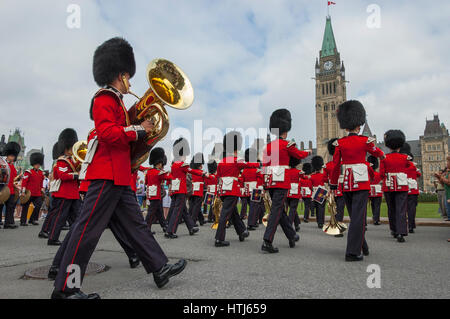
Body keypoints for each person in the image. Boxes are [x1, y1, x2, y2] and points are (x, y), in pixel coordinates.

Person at [51, 37, 186, 299]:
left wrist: (142, 117)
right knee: (87, 232)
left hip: (119, 175)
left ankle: (159, 268)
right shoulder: (104, 98)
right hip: (105, 175)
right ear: (120, 75)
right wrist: (139, 129)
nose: (131, 82)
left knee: (136, 225)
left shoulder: (118, 103)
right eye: (128, 76)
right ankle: (66, 289)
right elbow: (106, 133)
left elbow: (122, 126)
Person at [330, 100, 385, 261]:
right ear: (359, 125)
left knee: (355, 216)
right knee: (358, 217)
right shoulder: (365, 141)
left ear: (345, 126)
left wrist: (333, 184)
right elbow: (378, 153)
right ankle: (352, 252)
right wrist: (382, 156)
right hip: (360, 183)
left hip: (346, 183)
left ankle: (363, 246)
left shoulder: (339, 143)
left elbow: (335, 166)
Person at [261, 109, 310, 253]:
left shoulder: (268, 147)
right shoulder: (287, 145)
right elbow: (299, 154)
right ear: (286, 130)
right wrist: (309, 152)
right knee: (276, 210)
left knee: (280, 210)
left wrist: (264, 184)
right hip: (281, 180)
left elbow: (264, 166)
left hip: (270, 180)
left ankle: (292, 234)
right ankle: (267, 240)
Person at [214, 131, 258, 247]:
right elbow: (250, 165)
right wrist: (261, 164)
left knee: (233, 212)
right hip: (232, 190)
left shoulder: (221, 162)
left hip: (223, 190)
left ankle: (242, 231)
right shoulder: (236, 161)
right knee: (225, 214)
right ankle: (219, 238)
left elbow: (217, 176)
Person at [43, 129, 81, 246]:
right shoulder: (61, 161)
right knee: (60, 218)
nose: (72, 151)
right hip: (63, 194)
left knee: (77, 218)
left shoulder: (72, 161)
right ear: (66, 148)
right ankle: (52, 238)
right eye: (70, 148)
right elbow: (63, 176)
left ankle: (76, 238)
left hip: (73, 194)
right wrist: (76, 175)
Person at [166, 138, 205, 238]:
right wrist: (204, 173)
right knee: (178, 211)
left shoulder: (174, 164)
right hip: (181, 190)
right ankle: (170, 231)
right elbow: (192, 171)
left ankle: (191, 227)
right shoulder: (182, 165)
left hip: (175, 190)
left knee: (183, 210)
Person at [380, 130, 411, 243]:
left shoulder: (384, 158)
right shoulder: (405, 158)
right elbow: (408, 168)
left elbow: (382, 174)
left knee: (391, 209)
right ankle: (401, 232)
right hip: (401, 186)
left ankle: (393, 229)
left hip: (388, 186)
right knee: (401, 209)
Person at [145, 148, 171, 233]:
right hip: (157, 194)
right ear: (159, 164)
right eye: (161, 164)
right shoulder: (159, 173)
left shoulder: (149, 172)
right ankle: (146, 228)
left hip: (151, 194)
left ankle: (164, 226)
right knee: (151, 212)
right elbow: (169, 178)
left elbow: (146, 182)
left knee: (159, 211)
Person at [401, 142, 421, 233]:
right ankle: (411, 226)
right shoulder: (413, 165)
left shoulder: (401, 164)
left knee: (402, 208)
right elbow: (418, 175)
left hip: (403, 188)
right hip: (413, 189)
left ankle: (402, 225)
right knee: (412, 208)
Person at [0, 142, 21, 229]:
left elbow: (12, 179)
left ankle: (9, 222)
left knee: (10, 206)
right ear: (7, 155)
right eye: (11, 156)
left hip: (11, 189)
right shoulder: (3, 165)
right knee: (0, 205)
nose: (13, 158)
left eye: (13, 156)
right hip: (3, 188)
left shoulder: (12, 166)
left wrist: (16, 186)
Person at [242, 148, 264, 231]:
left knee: (252, 206)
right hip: (255, 189)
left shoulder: (244, 169)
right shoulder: (257, 168)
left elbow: (242, 179)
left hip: (247, 189)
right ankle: (251, 224)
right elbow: (260, 179)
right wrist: (260, 189)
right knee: (254, 207)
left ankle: (254, 222)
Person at [20, 152, 45, 226]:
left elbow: (41, 183)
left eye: (39, 164)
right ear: (33, 164)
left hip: (37, 193)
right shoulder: (28, 172)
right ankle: (23, 221)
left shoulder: (41, 173)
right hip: (29, 193)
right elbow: (24, 182)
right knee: (26, 207)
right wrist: (23, 192)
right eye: (36, 164)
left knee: (38, 205)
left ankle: (32, 219)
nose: (38, 165)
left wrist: (42, 189)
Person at [188, 153, 207, 225]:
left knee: (193, 205)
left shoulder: (191, 172)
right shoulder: (201, 172)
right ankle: (192, 221)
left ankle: (201, 220)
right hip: (198, 191)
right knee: (196, 206)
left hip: (192, 190)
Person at [310, 156, 327, 229]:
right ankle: (321, 222)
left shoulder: (312, 176)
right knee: (321, 208)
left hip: (314, 191)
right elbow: (326, 181)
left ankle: (318, 221)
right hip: (321, 191)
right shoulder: (323, 175)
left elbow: (310, 186)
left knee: (317, 208)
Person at [286, 156, 302, 232]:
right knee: (293, 209)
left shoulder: (286, 171)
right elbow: (305, 178)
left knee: (292, 209)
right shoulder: (299, 172)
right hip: (295, 192)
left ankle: (297, 224)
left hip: (287, 192)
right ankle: (289, 225)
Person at [367, 155, 383, 225]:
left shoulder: (367, 174)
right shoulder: (378, 174)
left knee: (364, 206)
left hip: (368, 190)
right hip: (377, 190)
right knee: (377, 206)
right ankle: (376, 219)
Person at [435, 156, 450, 222]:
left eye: (448, 162)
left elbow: (449, 182)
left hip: (448, 193)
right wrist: (438, 177)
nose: (446, 164)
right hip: (446, 192)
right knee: (445, 206)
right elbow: (443, 184)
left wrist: (441, 177)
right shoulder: (447, 173)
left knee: (446, 206)